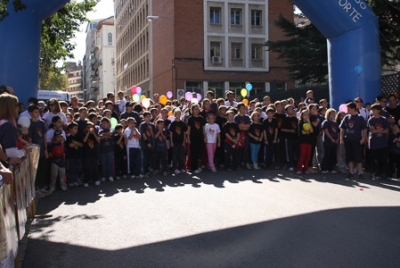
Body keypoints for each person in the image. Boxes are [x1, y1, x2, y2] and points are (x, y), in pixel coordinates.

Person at [339, 102, 367, 179]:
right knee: (349, 157)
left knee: (358, 156)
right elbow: (342, 128)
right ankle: (351, 171)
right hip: (348, 139)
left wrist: (363, 138)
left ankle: (360, 172)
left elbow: (364, 129)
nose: (347, 110)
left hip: (357, 140)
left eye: (349, 108)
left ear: (353, 109)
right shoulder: (346, 117)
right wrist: (341, 138)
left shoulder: (360, 117)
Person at [27, 105, 49, 197]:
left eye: (38, 112)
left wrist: (46, 149)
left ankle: (41, 187)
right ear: (31, 113)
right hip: (34, 149)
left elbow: (44, 136)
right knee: (35, 170)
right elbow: (29, 138)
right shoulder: (29, 124)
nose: (37, 114)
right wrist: (31, 150)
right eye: (35, 112)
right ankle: (36, 189)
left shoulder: (41, 123)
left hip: (42, 148)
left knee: (41, 169)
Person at [0, 93, 30, 159]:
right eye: (16, 105)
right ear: (9, 108)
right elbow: (12, 154)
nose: (18, 108)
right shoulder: (8, 127)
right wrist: (24, 151)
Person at [367, 104, 389, 179]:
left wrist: (378, 131)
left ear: (379, 110)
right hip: (374, 143)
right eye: (372, 110)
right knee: (376, 159)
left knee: (383, 159)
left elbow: (386, 131)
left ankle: (384, 173)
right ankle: (377, 173)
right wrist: (380, 130)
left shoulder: (384, 119)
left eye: (374, 110)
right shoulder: (371, 120)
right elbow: (372, 131)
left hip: (383, 143)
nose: (373, 111)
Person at [187, 104, 206, 173]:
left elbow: (203, 128)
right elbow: (189, 129)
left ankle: (198, 166)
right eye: (195, 109)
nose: (197, 111)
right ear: (192, 110)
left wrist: (204, 136)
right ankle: (194, 167)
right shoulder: (190, 119)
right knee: (194, 152)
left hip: (200, 137)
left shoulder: (201, 118)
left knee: (199, 152)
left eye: (198, 109)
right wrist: (188, 138)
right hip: (193, 138)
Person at [280, 105, 298, 171]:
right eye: (290, 109)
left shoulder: (295, 119)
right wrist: (290, 130)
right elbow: (282, 129)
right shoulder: (285, 119)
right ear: (286, 111)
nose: (292, 110)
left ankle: (296, 164)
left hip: (296, 138)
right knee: (289, 152)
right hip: (288, 138)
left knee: (296, 152)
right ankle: (290, 164)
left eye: (292, 109)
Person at [82, 121, 101, 187]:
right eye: (88, 127)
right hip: (87, 154)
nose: (90, 129)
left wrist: (93, 134)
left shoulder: (95, 134)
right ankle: (87, 180)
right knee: (87, 168)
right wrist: (88, 134)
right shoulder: (84, 134)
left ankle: (96, 179)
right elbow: (84, 141)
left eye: (91, 127)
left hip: (94, 154)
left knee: (95, 167)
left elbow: (98, 141)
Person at [169, 108, 187, 174]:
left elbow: (184, 133)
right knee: (174, 155)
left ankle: (182, 167)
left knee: (181, 155)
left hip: (181, 141)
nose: (178, 115)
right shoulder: (173, 124)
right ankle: (175, 168)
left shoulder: (183, 124)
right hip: (174, 141)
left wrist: (184, 142)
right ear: (174, 115)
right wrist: (171, 142)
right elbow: (171, 133)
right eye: (176, 114)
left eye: (179, 114)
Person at [320, 108, 338, 173]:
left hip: (334, 141)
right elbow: (326, 131)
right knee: (327, 154)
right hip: (327, 141)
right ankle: (324, 168)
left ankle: (331, 168)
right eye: (332, 114)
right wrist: (331, 139)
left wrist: (337, 139)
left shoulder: (335, 123)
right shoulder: (326, 122)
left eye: (334, 114)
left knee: (332, 155)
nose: (333, 115)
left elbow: (337, 132)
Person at [65, 122, 83, 187]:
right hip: (71, 156)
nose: (76, 130)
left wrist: (75, 142)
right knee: (71, 169)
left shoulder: (78, 136)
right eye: (75, 128)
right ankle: (71, 181)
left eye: (77, 128)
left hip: (78, 155)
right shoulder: (68, 137)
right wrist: (76, 144)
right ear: (70, 129)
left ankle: (76, 180)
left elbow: (81, 145)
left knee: (77, 168)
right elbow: (70, 145)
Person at [296, 110, 314, 174]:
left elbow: (312, 131)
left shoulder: (309, 123)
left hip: (309, 141)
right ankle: (299, 169)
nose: (306, 116)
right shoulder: (300, 123)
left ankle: (306, 169)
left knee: (308, 155)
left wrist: (309, 121)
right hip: (302, 141)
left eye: (307, 115)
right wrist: (308, 132)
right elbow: (303, 132)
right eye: (305, 115)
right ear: (302, 116)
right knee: (302, 155)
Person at [234, 103, 251, 170]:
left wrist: (242, 126)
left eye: (244, 108)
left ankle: (246, 163)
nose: (243, 109)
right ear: (238, 109)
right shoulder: (236, 117)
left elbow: (248, 126)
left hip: (246, 135)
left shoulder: (247, 117)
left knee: (245, 149)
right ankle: (239, 163)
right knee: (239, 150)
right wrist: (243, 127)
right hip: (239, 136)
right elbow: (238, 127)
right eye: (241, 108)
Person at [99, 117, 115, 182]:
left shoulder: (111, 130)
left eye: (104, 123)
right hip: (102, 150)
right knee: (103, 164)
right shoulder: (100, 130)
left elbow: (111, 134)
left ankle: (110, 175)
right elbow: (100, 137)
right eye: (102, 123)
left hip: (110, 150)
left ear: (108, 123)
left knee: (110, 163)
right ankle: (104, 176)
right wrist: (106, 135)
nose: (103, 125)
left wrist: (104, 135)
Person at [139, 111, 155, 176]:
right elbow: (143, 134)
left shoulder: (152, 125)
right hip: (144, 144)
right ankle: (144, 171)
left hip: (151, 143)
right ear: (144, 118)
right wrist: (147, 142)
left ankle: (148, 169)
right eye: (147, 117)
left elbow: (153, 135)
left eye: (149, 117)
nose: (148, 118)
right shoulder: (142, 125)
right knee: (144, 158)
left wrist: (151, 129)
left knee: (149, 158)